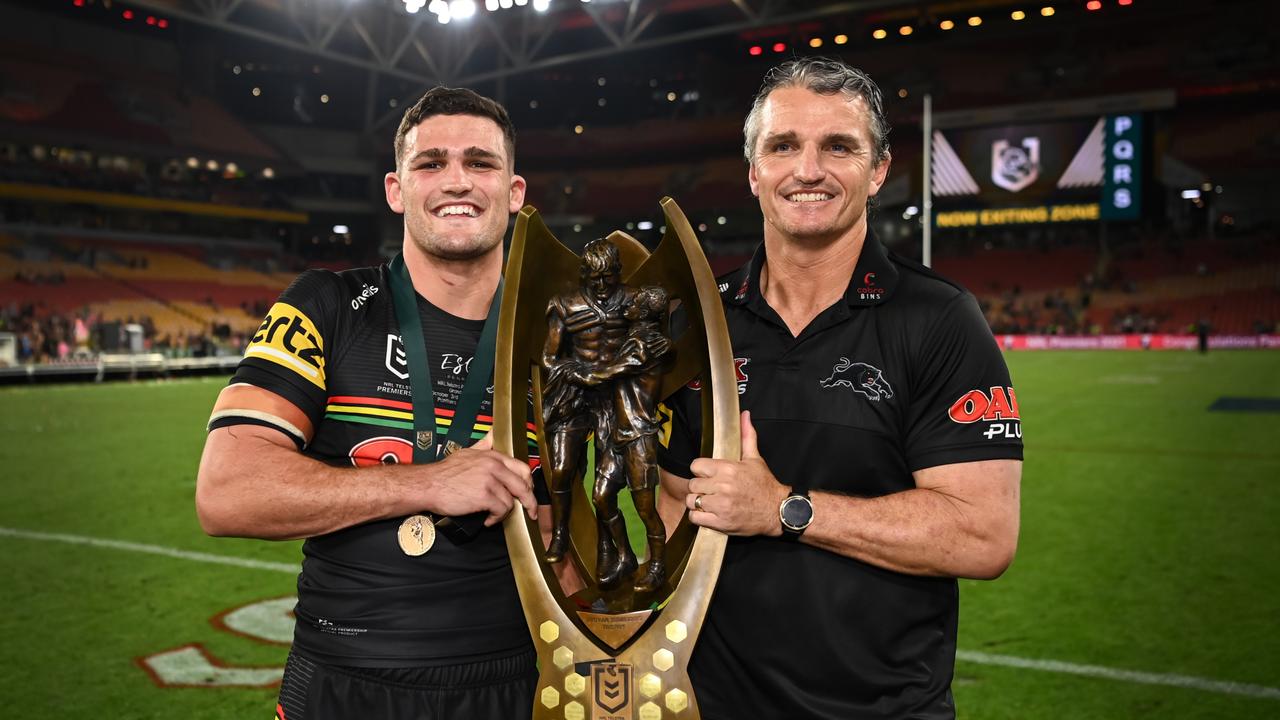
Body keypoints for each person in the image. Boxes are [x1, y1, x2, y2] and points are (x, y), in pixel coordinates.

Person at [657, 58, 1024, 719]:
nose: (808, 170)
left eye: (838, 146)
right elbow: (674, 498)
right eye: (783, 146)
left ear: (878, 169)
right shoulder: (699, 323)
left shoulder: (939, 319)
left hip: (886, 709)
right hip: (711, 704)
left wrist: (785, 510)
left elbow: (984, 534)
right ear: (753, 171)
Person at [196, 87, 543, 720]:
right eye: (431, 163)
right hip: (341, 681)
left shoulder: (559, 340)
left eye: (481, 162)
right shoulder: (323, 306)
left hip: (516, 681)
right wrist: (432, 483)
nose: (456, 181)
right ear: (396, 188)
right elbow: (227, 490)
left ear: (515, 192)